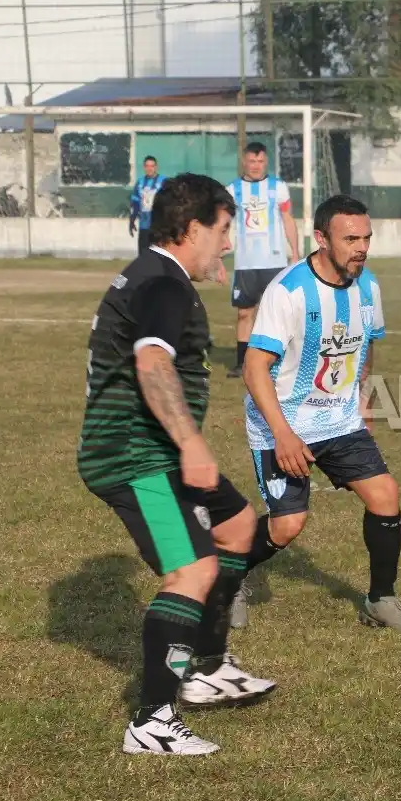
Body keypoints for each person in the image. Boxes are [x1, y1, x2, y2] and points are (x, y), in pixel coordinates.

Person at [77, 173, 276, 757]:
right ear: (192, 229)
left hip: (152, 447)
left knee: (238, 526)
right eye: (223, 230)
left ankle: (206, 667)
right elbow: (152, 364)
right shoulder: (163, 283)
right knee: (192, 570)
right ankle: (152, 721)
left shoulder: (156, 276)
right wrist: (191, 443)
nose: (228, 243)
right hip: (134, 454)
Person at [233, 194, 401, 633]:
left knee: (385, 496)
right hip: (282, 424)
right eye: (351, 239)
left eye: (367, 238)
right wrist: (283, 434)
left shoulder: (368, 286)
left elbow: (366, 345)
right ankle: (227, 575)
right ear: (321, 239)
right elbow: (254, 367)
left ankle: (380, 599)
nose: (362, 248)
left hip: (339, 421)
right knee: (287, 526)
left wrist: (364, 400)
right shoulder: (288, 291)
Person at [226, 142, 300, 378]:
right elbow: (223, 223)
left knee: (278, 314)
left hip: (274, 262)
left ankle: (282, 361)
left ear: (266, 161)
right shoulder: (232, 190)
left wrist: (295, 252)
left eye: (260, 161)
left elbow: (287, 219)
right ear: (244, 162)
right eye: (251, 161)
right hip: (245, 264)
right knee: (244, 313)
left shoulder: (278, 187)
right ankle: (242, 363)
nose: (256, 166)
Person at [129, 156, 166, 256]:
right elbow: (136, 203)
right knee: (143, 256)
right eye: (147, 166)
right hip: (144, 225)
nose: (149, 168)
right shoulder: (140, 182)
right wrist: (132, 219)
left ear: (156, 167)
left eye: (152, 166)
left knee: (158, 256)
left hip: (159, 226)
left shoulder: (164, 182)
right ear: (144, 167)